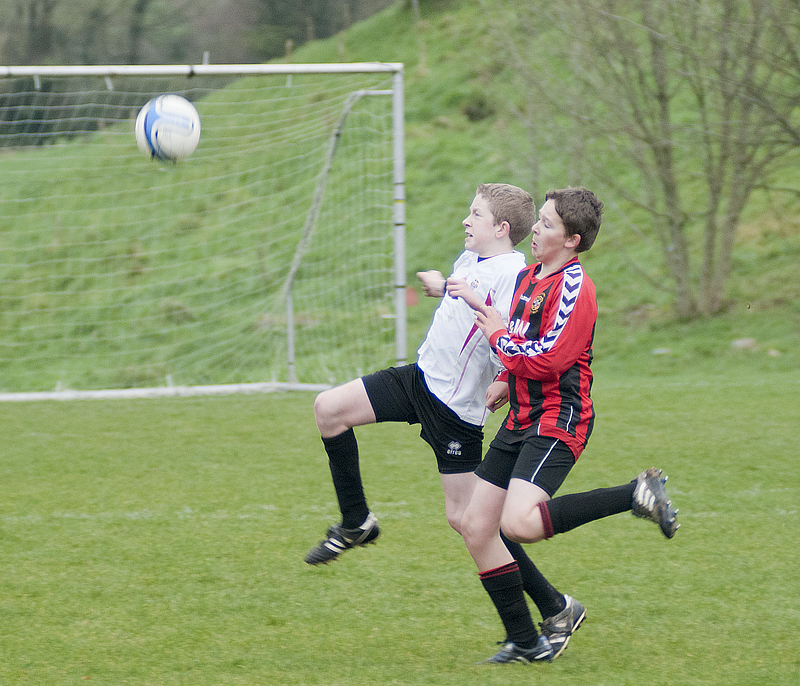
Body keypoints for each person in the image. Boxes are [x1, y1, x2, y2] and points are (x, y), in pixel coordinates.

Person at [305, 183, 586, 649]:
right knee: (328, 409)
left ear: (500, 228)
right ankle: (356, 522)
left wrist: (502, 376)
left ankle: (553, 607)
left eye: (474, 215)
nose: (465, 221)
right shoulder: (469, 257)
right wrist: (442, 288)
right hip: (418, 381)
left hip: (454, 413)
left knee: (471, 523)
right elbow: (463, 306)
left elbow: (514, 326)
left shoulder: (517, 272)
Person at [451, 187, 679, 665]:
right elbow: (519, 341)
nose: (536, 229)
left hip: (559, 417)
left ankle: (635, 493)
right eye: (540, 222)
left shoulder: (576, 287)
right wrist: (504, 380)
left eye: (548, 224)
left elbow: (550, 358)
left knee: (519, 523)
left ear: (572, 240)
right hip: (521, 416)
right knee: (476, 525)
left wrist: (496, 335)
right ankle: (542, 625)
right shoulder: (530, 276)